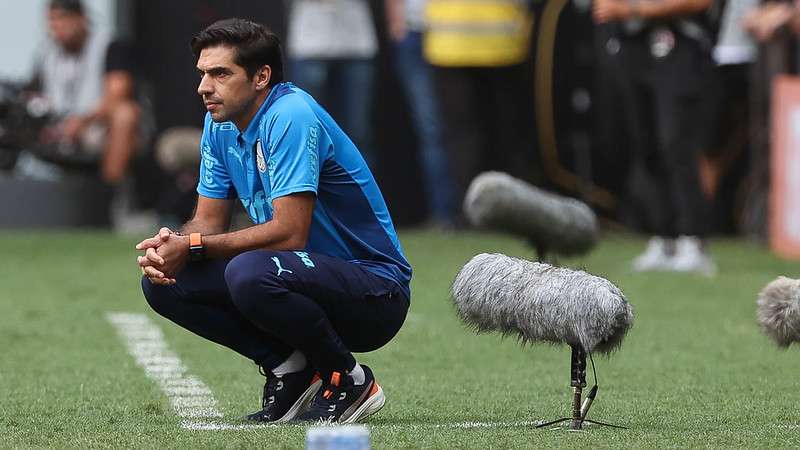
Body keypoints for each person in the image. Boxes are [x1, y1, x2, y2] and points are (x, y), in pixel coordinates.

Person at [136, 18, 411, 424]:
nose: (204, 87)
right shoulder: (219, 122)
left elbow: (288, 232)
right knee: (166, 282)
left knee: (250, 271)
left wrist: (193, 246)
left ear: (261, 76)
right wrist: (172, 243)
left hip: (374, 291)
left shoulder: (290, 114)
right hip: (297, 277)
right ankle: (292, 370)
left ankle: (349, 379)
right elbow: (208, 222)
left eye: (220, 74)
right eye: (202, 74)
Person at [593, 0, 718, 274]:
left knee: (675, 142)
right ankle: (664, 237)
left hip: (680, 43)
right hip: (631, 43)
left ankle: (693, 239)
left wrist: (632, 10)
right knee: (645, 145)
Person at [30, 0, 140, 185]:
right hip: (56, 124)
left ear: (81, 19)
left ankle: (108, 192)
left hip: (94, 126)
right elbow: (33, 95)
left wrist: (82, 121)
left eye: (63, 19)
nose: (57, 27)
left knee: (125, 114)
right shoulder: (47, 53)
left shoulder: (108, 46)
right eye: (53, 20)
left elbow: (118, 94)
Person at [385, 0, 455, 227]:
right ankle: (442, 213)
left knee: (449, 127)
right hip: (414, 31)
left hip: (451, 31)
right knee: (430, 130)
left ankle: (450, 213)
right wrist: (396, 22)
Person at [285, 0, 378, 166]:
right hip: (311, 42)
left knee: (358, 134)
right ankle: (305, 191)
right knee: (308, 133)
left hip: (357, 42)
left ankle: (359, 191)